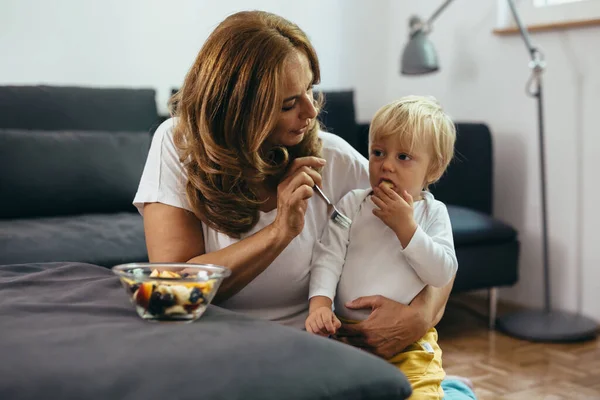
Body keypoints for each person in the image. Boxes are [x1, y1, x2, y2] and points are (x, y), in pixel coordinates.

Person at [133, 10, 475, 399]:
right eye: (288, 103)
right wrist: (280, 232)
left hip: (313, 356)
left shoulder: (330, 158)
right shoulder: (179, 146)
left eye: (311, 91)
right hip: (219, 353)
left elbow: (428, 230)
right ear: (239, 110)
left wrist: (420, 318)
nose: (311, 114)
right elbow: (174, 289)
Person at [306, 96, 458, 399]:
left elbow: (441, 273)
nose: (385, 164)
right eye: (378, 152)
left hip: (410, 348)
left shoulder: (432, 213)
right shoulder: (353, 203)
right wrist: (320, 304)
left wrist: (407, 228)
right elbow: (328, 255)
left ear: (434, 169)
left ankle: (453, 389)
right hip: (345, 336)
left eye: (403, 157)